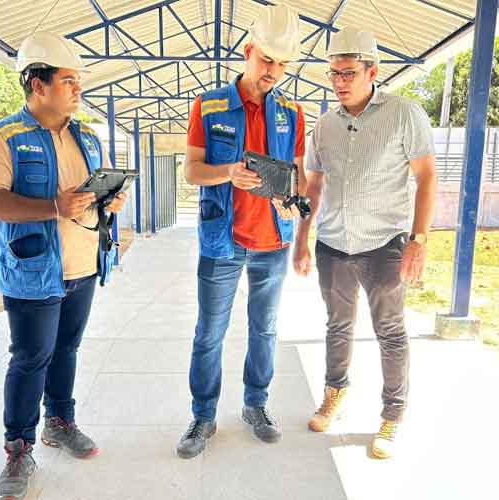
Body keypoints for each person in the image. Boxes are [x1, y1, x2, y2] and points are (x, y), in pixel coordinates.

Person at [0, 32, 126, 500]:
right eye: (68, 80)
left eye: (79, 81)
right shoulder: (4, 138)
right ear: (38, 85)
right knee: (30, 357)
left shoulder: (88, 137)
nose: (78, 89)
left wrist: (108, 201)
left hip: (82, 265)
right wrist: (52, 207)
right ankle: (18, 448)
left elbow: (91, 196)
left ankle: (60, 421)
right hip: (33, 271)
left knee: (66, 349)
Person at [293, 26, 437, 460]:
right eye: (334, 73)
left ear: (372, 72)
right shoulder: (324, 126)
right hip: (334, 244)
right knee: (337, 327)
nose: (339, 82)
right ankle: (333, 396)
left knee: (390, 331)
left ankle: (392, 415)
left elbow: (427, 177)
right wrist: (302, 239)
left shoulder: (404, 114)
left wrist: (418, 240)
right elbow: (314, 186)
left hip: (384, 245)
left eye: (349, 73)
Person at [175, 3, 307, 459]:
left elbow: (298, 174)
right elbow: (192, 171)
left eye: (282, 64)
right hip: (223, 240)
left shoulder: (292, 112)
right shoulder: (209, 106)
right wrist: (228, 172)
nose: (273, 71)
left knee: (264, 329)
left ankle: (256, 405)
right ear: (248, 51)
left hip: (273, 240)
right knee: (210, 331)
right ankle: (203, 415)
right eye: (267, 59)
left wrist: (289, 195)